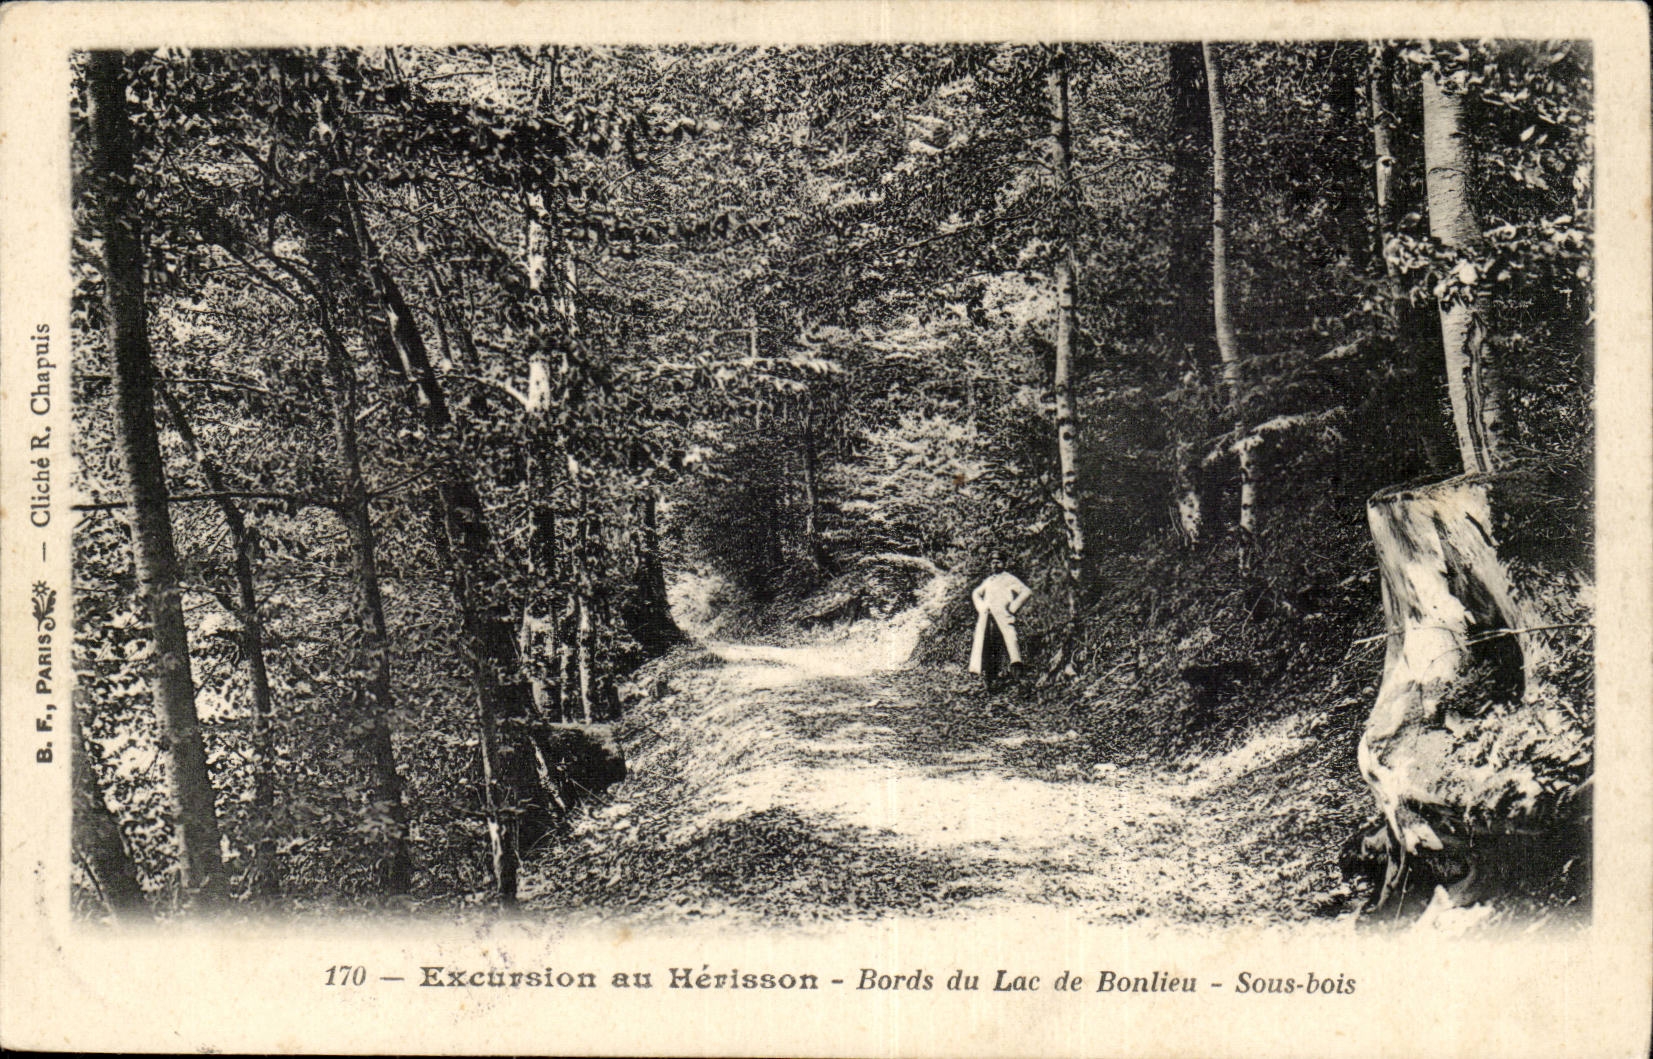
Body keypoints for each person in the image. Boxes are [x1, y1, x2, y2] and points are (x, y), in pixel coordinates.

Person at [969, 553, 1033, 693]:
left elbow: (1026, 591)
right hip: (988, 620)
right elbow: (976, 593)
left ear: (1004, 564)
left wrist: (1013, 607)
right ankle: (991, 681)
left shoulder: (1009, 578)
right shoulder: (989, 580)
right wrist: (981, 606)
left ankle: (1020, 682)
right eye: (993, 562)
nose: (995, 565)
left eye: (998, 562)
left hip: (1003, 618)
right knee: (989, 648)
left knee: (1012, 647)